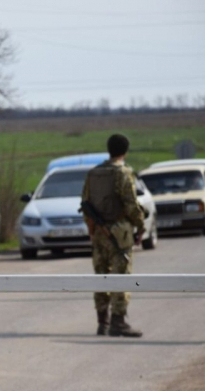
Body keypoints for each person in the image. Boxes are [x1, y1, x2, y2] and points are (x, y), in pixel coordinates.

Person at [81, 134, 144, 337]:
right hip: (120, 234)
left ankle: (103, 322)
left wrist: (92, 229)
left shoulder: (93, 173)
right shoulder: (123, 173)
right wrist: (141, 226)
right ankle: (118, 322)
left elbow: (85, 202)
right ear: (125, 151)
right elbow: (131, 205)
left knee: (101, 276)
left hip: (99, 234)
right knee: (121, 276)